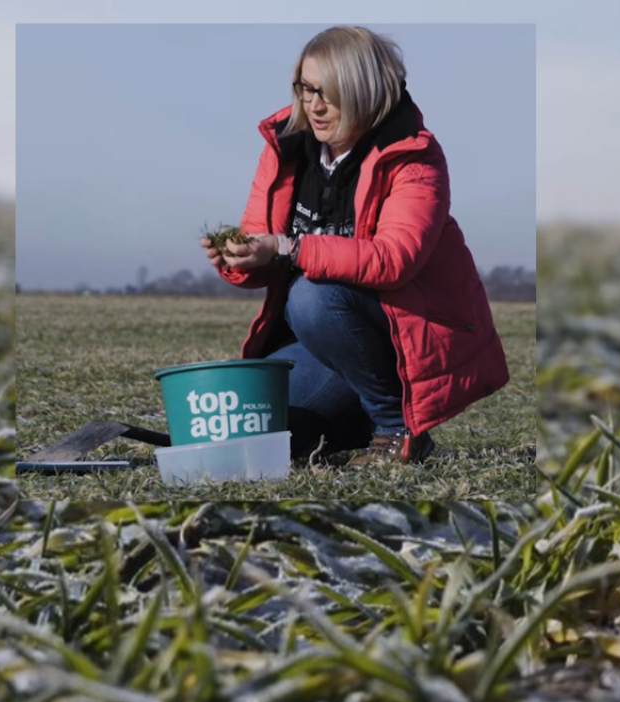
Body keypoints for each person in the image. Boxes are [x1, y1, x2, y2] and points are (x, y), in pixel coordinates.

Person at [200, 25, 510, 466]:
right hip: (325, 337)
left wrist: (289, 248)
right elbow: (265, 243)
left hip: (401, 331)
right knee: (254, 424)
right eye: (306, 89)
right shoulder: (285, 147)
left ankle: (397, 428)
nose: (314, 105)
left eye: (329, 93)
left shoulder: (413, 157)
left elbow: (394, 260)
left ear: (365, 92)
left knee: (311, 297)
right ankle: (357, 421)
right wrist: (243, 257)